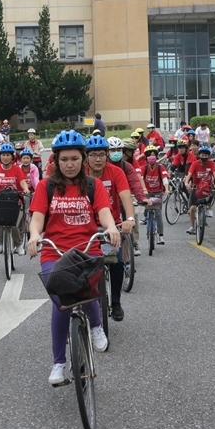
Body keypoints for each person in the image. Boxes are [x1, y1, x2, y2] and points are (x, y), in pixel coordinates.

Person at [27, 131, 119, 386]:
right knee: (61, 302)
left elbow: (103, 212)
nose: (69, 164)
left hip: (86, 249)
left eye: (75, 159)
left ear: (83, 159)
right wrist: (34, 235)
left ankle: (97, 325)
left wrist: (110, 227)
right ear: (56, 160)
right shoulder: (47, 186)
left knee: (88, 288)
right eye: (64, 159)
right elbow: (37, 218)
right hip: (53, 251)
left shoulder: (92, 185)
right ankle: (58, 364)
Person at [84, 135, 134, 322]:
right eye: (93, 155)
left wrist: (129, 218)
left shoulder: (116, 172)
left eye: (102, 155)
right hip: (86, 228)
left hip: (111, 226)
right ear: (86, 157)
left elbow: (125, 197)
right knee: (84, 266)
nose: (98, 159)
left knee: (117, 262)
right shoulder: (81, 174)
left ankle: (116, 301)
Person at [0, 143, 31, 255]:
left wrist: (26, 189)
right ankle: (0, 242)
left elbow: (22, 181)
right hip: (1, 201)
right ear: (0, 156)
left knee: (14, 223)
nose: (5, 157)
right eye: (3, 155)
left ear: (12, 157)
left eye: (8, 155)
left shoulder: (17, 169)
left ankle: (18, 244)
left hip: (16, 201)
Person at [183, 146, 215, 236]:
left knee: (210, 197)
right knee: (192, 208)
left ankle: (208, 207)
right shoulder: (195, 164)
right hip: (196, 188)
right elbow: (189, 174)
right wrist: (187, 183)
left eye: (206, 155)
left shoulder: (211, 164)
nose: (204, 157)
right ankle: (192, 227)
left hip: (207, 188)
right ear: (199, 155)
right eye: (202, 155)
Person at [141, 145, 170, 244]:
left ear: (157, 156)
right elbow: (139, 178)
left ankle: (161, 236)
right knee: (146, 208)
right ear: (146, 157)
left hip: (158, 193)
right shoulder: (144, 168)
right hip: (147, 193)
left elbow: (165, 179)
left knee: (158, 214)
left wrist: (166, 189)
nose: (151, 157)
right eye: (149, 155)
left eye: (153, 155)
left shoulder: (160, 167)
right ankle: (146, 218)